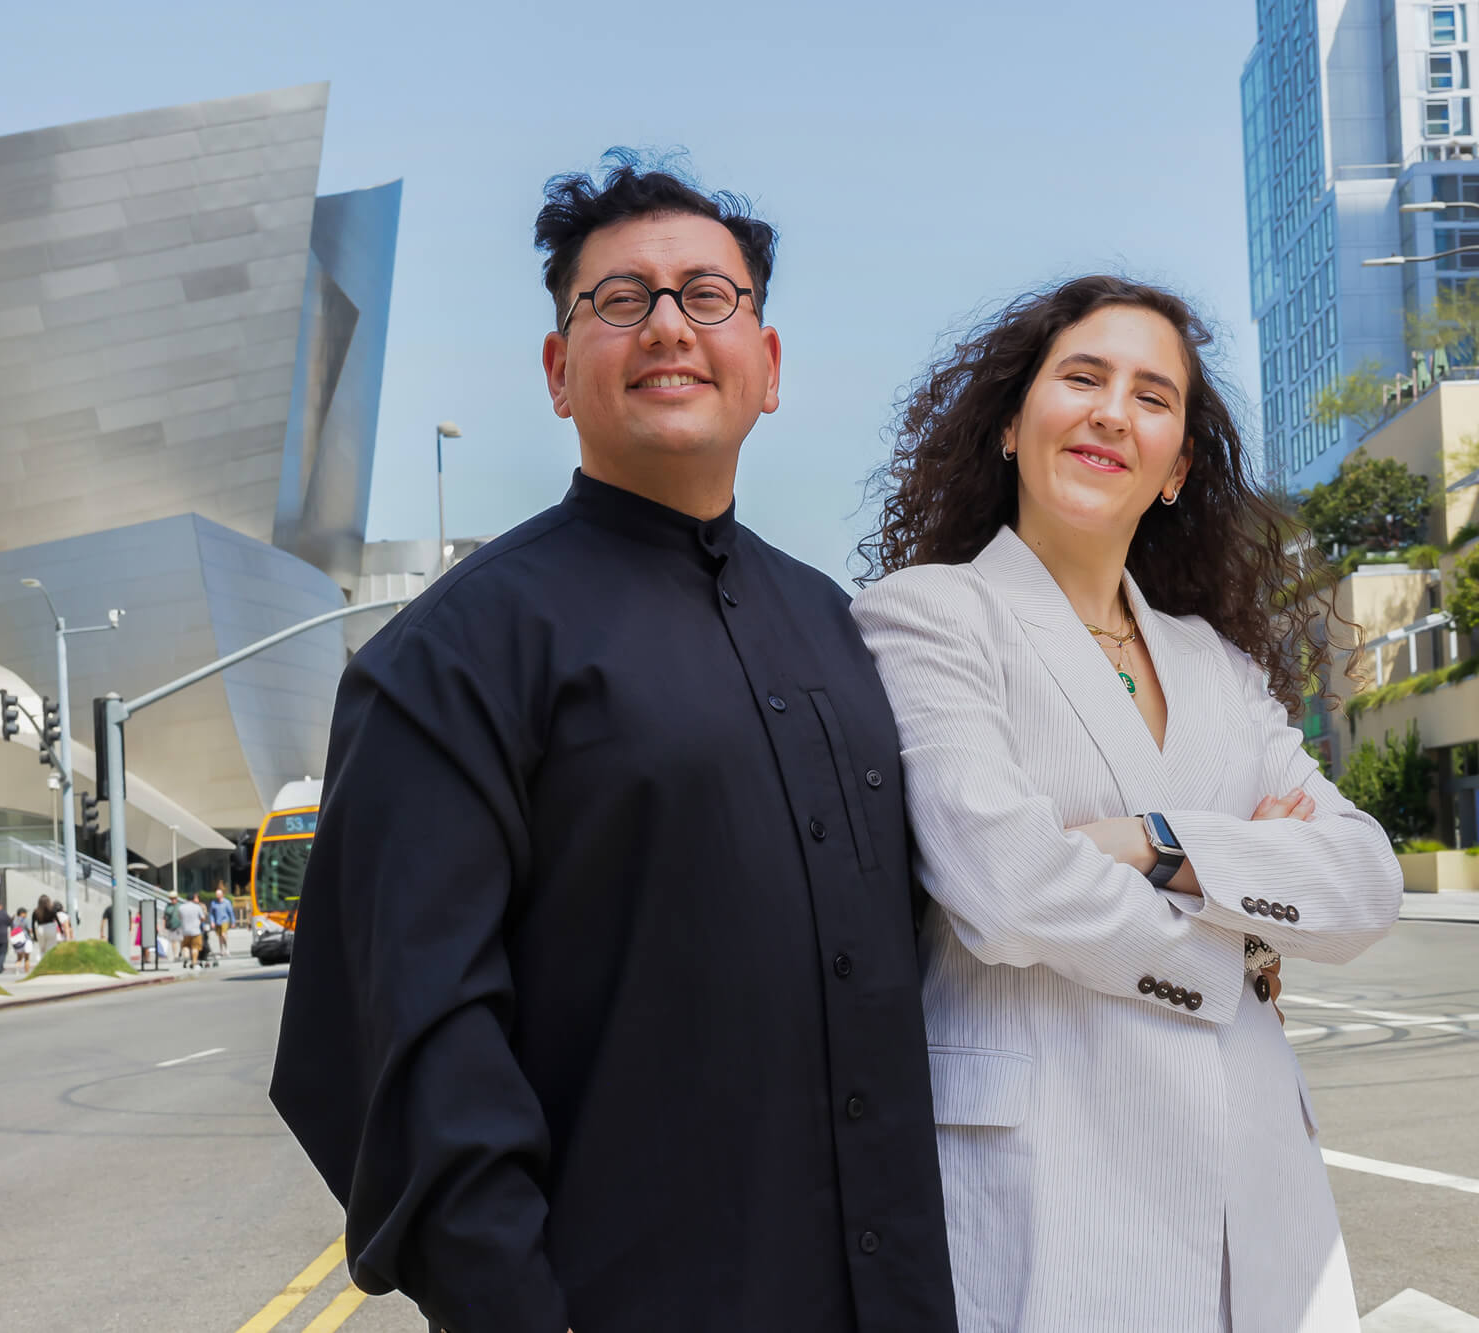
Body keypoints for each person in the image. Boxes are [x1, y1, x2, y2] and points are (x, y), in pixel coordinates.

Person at [272, 156, 957, 1333]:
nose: (667, 328)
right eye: (619, 300)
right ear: (556, 371)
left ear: (769, 366)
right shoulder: (451, 656)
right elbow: (418, 1052)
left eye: (708, 296)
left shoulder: (841, 631)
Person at [851, 276, 1405, 1332]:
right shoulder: (927, 619)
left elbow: (1363, 881)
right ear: (1010, 426)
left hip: (1255, 1179)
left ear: (1176, 467)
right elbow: (1005, 888)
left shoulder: (1216, 667)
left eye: (1154, 397)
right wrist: (1232, 924)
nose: (1113, 411)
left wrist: (1148, 844)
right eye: (1082, 377)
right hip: (1053, 1177)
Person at [175, 893, 206, 969]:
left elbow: (179, 917)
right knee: (195, 947)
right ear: (193, 899)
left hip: (185, 931)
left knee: (185, 946)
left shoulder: (181, 907)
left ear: (186, 899)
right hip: (196, 931)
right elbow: (203, 918)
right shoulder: (197, 907)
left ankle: (186, 957)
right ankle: (194, 961)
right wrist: (199, 922)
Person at [30, 894, 59, 959]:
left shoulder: (36, 911)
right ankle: (50, 961)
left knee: (42, 949)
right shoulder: (52, 909)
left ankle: (41, 962)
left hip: (40, 929)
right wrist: (62, 931)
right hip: (51, 928)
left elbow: (33, 924)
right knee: (51, 947)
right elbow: (57, 920)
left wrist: (34, 936)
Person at [208, 885, 233, 955]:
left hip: (225, 920)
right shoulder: (213, 903)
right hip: (217, 921)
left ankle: (226, 948)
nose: (217, 896)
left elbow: (230, 912)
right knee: (220, 937)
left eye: (219, 894)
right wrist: (212, 922)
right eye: (216, 894)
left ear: (222, 895)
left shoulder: (226, 902)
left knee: (223, 935)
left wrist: (233, 921)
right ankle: (221, 949)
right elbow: (211, 914)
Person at [10, 909, 31, 974]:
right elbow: (30, 930)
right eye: (25, 913)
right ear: (22, 913)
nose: (26, 915)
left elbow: (12, 929)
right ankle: (27, 972)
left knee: (19, 958)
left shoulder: (14, 920)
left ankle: (16, 970)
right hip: (26, 939)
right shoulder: (26, 920)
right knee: (27, 958)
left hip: (17, 941)